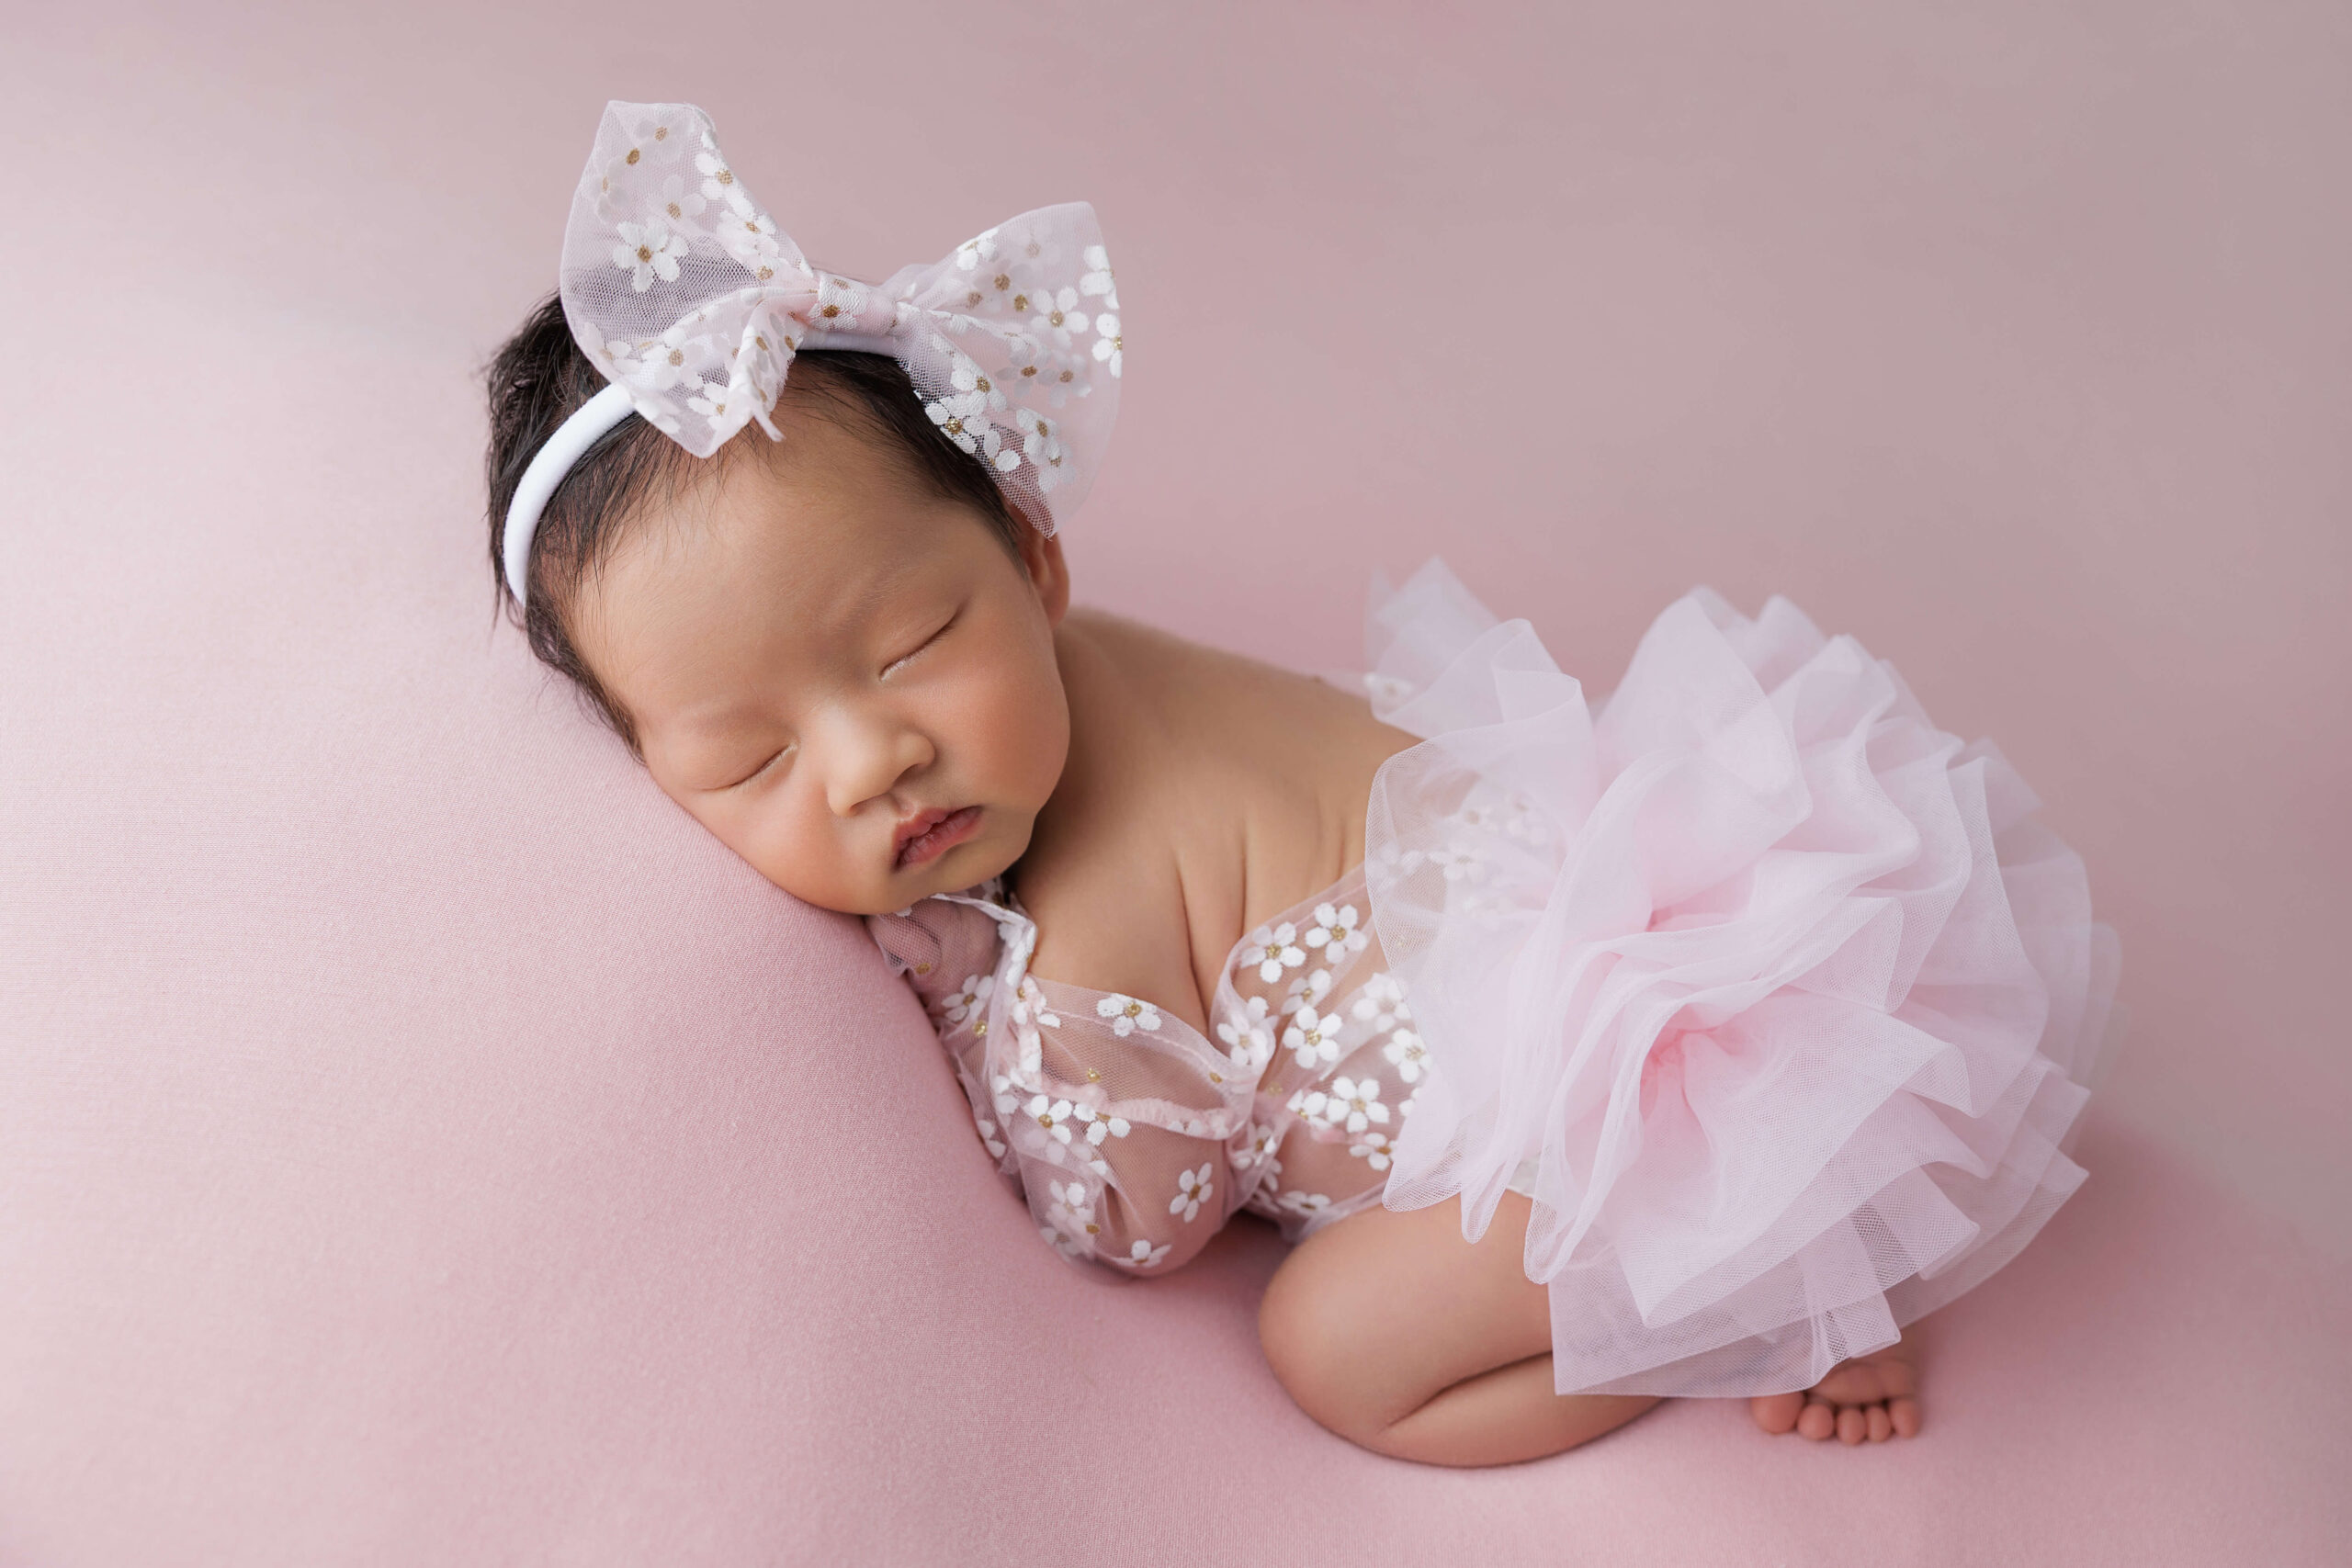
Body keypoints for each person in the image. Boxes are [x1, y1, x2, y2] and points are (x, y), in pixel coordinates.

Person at [483, 100, 2120, 1467]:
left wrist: (960, 985)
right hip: (1651, 889)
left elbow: (1138, 1223)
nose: (868, 758)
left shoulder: (1087, 911)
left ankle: (1765, 1279)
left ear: (1034, 559)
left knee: (1337, 1349)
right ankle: (1797, 1221)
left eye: (913, 641)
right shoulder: (1070, 671)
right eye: (751, 759)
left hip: (1607, 1108)